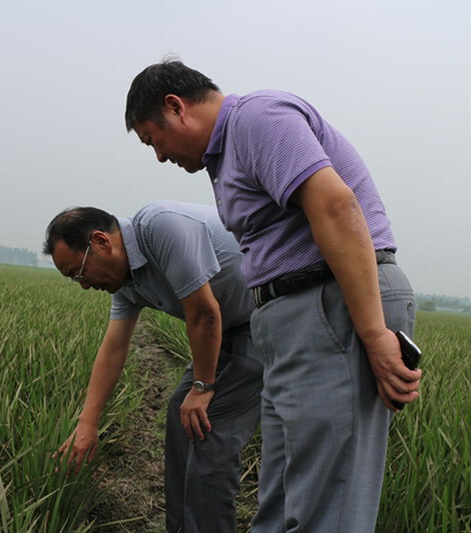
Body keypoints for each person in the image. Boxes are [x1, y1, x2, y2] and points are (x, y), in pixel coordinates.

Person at [125, 60, 422, 532]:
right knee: (283, 503)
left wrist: (373, 334)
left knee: (326, 507)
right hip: (292, 318)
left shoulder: (256, 119)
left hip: (331, 305)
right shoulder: (225, 157)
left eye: (151, 139)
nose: (159, 155)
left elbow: (335, 205)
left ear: (176, 107)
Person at [43, 200, 263, 533]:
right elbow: (114, 348)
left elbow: (204, 313)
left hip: (262, 318)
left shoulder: (160, 227)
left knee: (209, 428)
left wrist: (203, 386)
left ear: (101, 242)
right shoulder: (126, 282)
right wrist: (87, 424)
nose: (84, 284)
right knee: (180, 412)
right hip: (228, 329)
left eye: (80, 272)